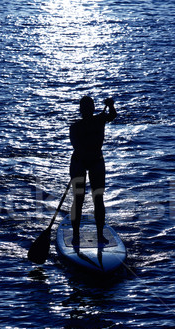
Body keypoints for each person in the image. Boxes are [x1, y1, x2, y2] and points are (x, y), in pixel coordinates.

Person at [69, 95, 117, 248]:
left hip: (96, 162)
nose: (89, 110)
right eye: (86, 108)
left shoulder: (100, 120)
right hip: (79, 163)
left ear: (93, 108)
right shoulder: (75, 127)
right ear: (81, 110)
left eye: (91, 107)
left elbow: (113, 116)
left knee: (98, 198)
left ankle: (100, 235)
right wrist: (83, 160)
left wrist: (110, 105)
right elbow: (77, 146)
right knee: (79, 199)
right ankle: (76, 236)